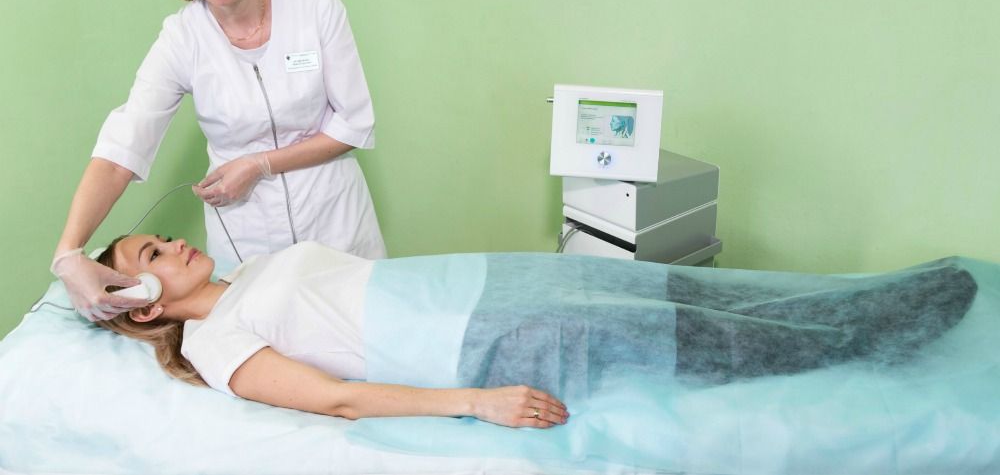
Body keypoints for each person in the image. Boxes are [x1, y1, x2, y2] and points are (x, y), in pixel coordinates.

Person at [94, 233, 978, 427]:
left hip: (479, 280)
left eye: (161, 237)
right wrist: (476, 401)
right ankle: (862, 338)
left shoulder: (251, 270)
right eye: (151, 255)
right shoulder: (215, 344)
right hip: (476, 340)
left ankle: (853, 306)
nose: (172, 244)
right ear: (141, 301)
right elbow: (334, 397)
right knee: (675, 332)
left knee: (670, 287)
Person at [51, 0, 386, 322]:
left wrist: (258, 164)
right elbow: (121, 149)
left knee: (361, 334)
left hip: (335, 221)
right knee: (268, 347)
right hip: (248, 241)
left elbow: (354, 124)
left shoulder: (316, 8)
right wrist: (68, 254)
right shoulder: (182, 38)